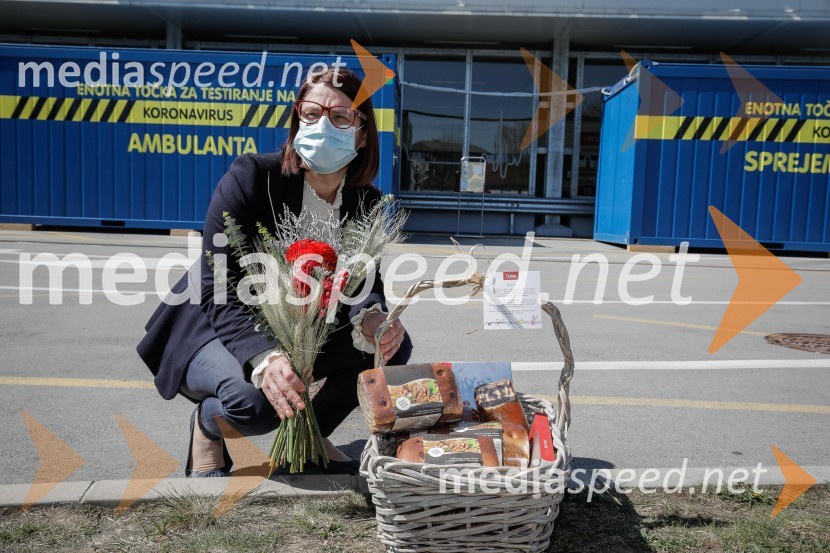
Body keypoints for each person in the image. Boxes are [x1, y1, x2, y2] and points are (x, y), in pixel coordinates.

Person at [136, 68, 412, 477]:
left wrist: (373, 317)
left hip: (305, 329)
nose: (323, 125)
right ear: (297, 117)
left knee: (392, 350)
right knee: (256, 404)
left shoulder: (365, 200)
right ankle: (207, 425)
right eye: (312, 112)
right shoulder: (252, 177)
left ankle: (311, 436)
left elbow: (364, 284)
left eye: (340, 117)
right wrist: (263, 356)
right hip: (221, 325)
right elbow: (217, 285)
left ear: (362, 132)